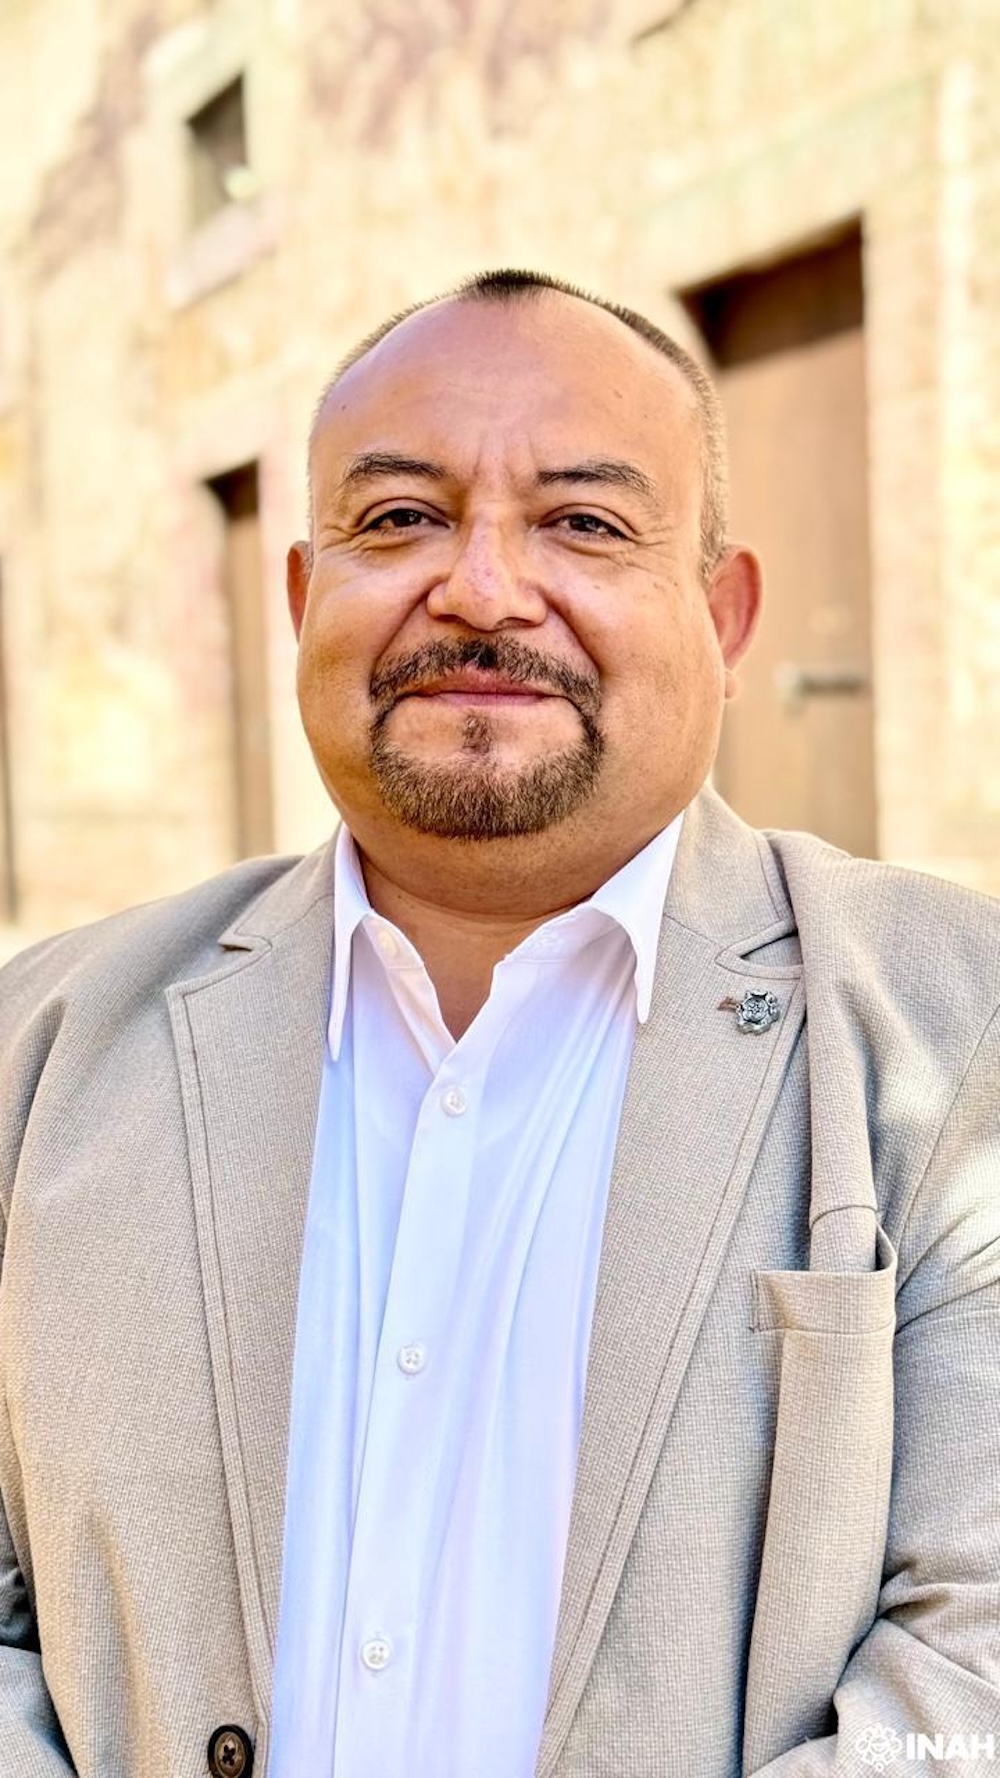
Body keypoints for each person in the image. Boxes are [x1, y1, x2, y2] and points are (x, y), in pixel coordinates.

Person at [1, 268, 999, 1778]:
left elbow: (972, 1665)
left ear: (724, 616)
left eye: (584, 523)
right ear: (302, 600)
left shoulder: (951, 1029)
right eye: (400, 517)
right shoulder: (43, 1051)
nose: (480, 588)